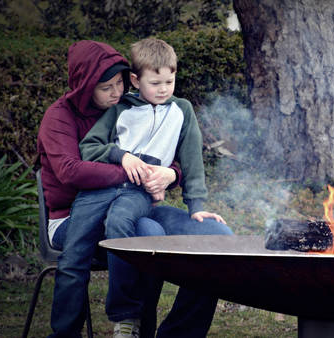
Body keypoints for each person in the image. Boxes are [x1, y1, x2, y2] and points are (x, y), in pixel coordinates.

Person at [37, 40, 230, 338]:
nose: (116, 93)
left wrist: (170, 175)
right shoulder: (65, 117)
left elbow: (186, 159)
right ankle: (131, 322)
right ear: (85, 86)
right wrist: (136, 167)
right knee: (147, 234)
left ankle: (178, 333)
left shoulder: (165, 108)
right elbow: (73, 170)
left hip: (138, 201)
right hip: (76, 215)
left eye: (120, 84)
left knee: (218, 239)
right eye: (107, 87)